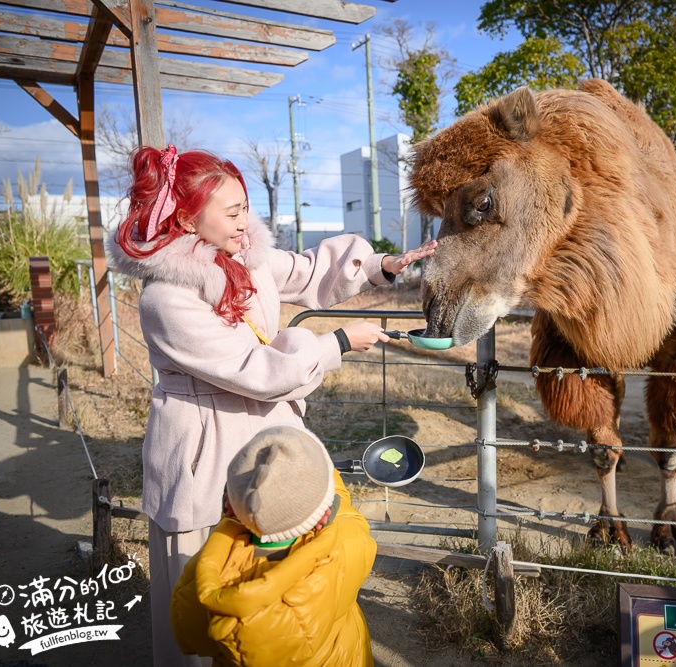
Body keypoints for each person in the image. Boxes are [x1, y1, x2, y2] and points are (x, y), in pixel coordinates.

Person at [106, 144, 434, 666]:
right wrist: (339, 344)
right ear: (187, 218)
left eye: (245, 208)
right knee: (204, 591)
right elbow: (255, 372)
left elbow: (305, 272)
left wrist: (379, 266)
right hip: (205, 453)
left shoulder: (244, 256)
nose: (244, 221)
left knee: (274, 593)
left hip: (259, 446)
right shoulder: (167, 299)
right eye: (232, 212)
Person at [170, 423, 377, 667]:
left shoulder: (202, 574)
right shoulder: (344, 546)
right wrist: (326, 472)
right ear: (325, 515)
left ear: (229, 505)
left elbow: (191, 635)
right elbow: (350, 519)